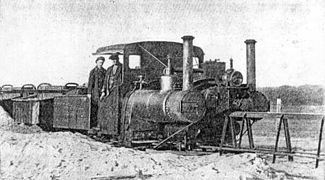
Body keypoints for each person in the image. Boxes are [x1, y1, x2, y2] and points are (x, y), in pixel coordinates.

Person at [87, 56, 106, 128]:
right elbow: (90, 83)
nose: (101, 64)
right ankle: (94, 125)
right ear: (96, 62)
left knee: (101, 108)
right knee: (94, 109)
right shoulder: (93, 71)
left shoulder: (104, 71)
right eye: (99, 62)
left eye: (102, 62)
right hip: (95, 93)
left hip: (102, 92)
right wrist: (89, 93)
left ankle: (100, 124)